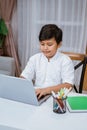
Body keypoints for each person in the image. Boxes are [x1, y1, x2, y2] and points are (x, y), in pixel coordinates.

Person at [20, 24, 74, 100]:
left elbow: (68, 85)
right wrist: (21, 82)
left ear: (59, 44)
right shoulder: (35, 58)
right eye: (42, 44)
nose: (45, 48)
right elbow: (24, 77)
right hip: (37, 95)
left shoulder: (65, 61)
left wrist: (46, 90)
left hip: (57, 98)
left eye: (49, 44)